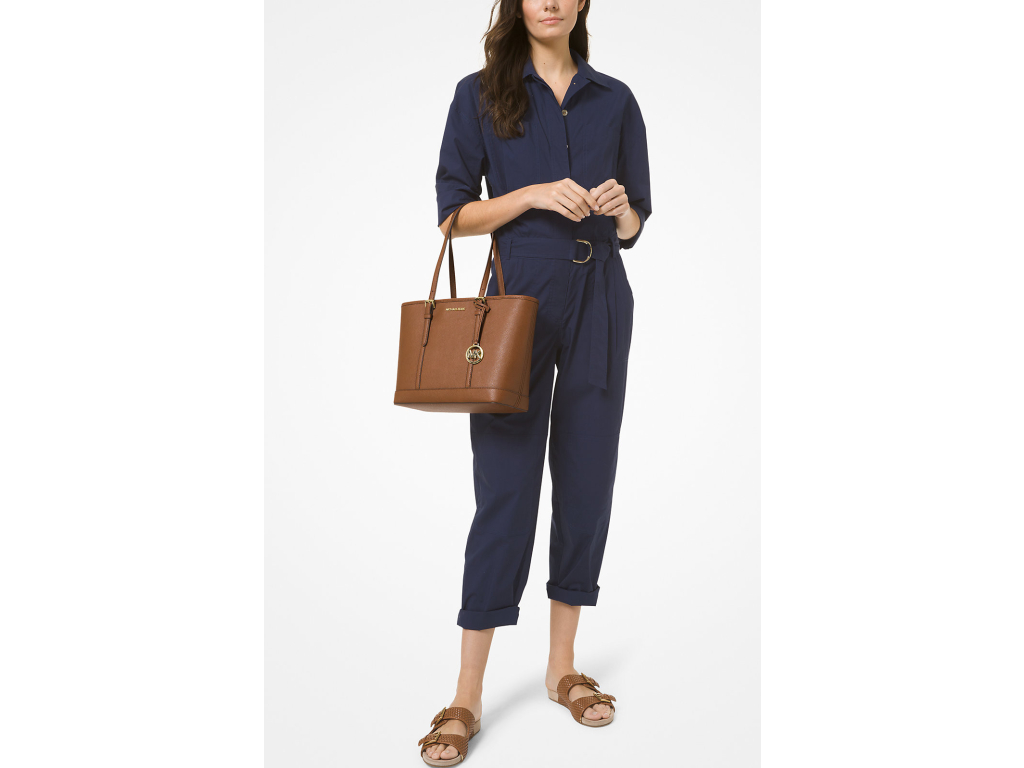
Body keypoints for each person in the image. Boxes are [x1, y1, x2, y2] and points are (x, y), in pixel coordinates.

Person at [419, 1, 652, 764]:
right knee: (507, 491)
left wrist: (620, 213)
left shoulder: (615, 99)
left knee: (587, 483)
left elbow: (637, 222)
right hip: (513, 304)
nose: (548, 0)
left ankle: (562, 669)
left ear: (582, 1)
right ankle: (465, 694)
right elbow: (453, 216)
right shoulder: (480, 94)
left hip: (600, 299)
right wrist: (530, 194)